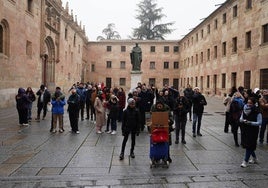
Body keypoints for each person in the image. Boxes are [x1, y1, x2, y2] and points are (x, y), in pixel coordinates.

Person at [240, 97, 262, 168]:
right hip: (245, 129)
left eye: (250, 103)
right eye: (248, 103)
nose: (248, 104)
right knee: (249, 145)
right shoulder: (244, 109)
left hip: (253, 131)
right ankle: (255, 158)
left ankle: (245, 161)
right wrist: (242, 120)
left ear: (254, 104)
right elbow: (241, 118)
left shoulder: (257, 111)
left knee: (249, 145)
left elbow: (259, 122)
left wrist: (250, 123)